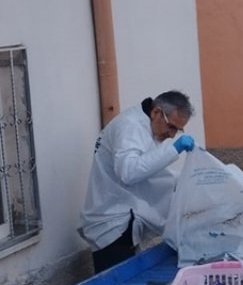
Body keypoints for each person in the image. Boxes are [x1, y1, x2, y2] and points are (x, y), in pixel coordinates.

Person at [80, 91, 196, 273]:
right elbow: (129, 172)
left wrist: (189, 177)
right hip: (111, 225)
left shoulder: (146, 128)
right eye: (171, 127)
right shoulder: (130, 126)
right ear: (156, 112)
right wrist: (174, 150)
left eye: (177, 130)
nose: (171, 135)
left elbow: (151, 170)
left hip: (123, 221)